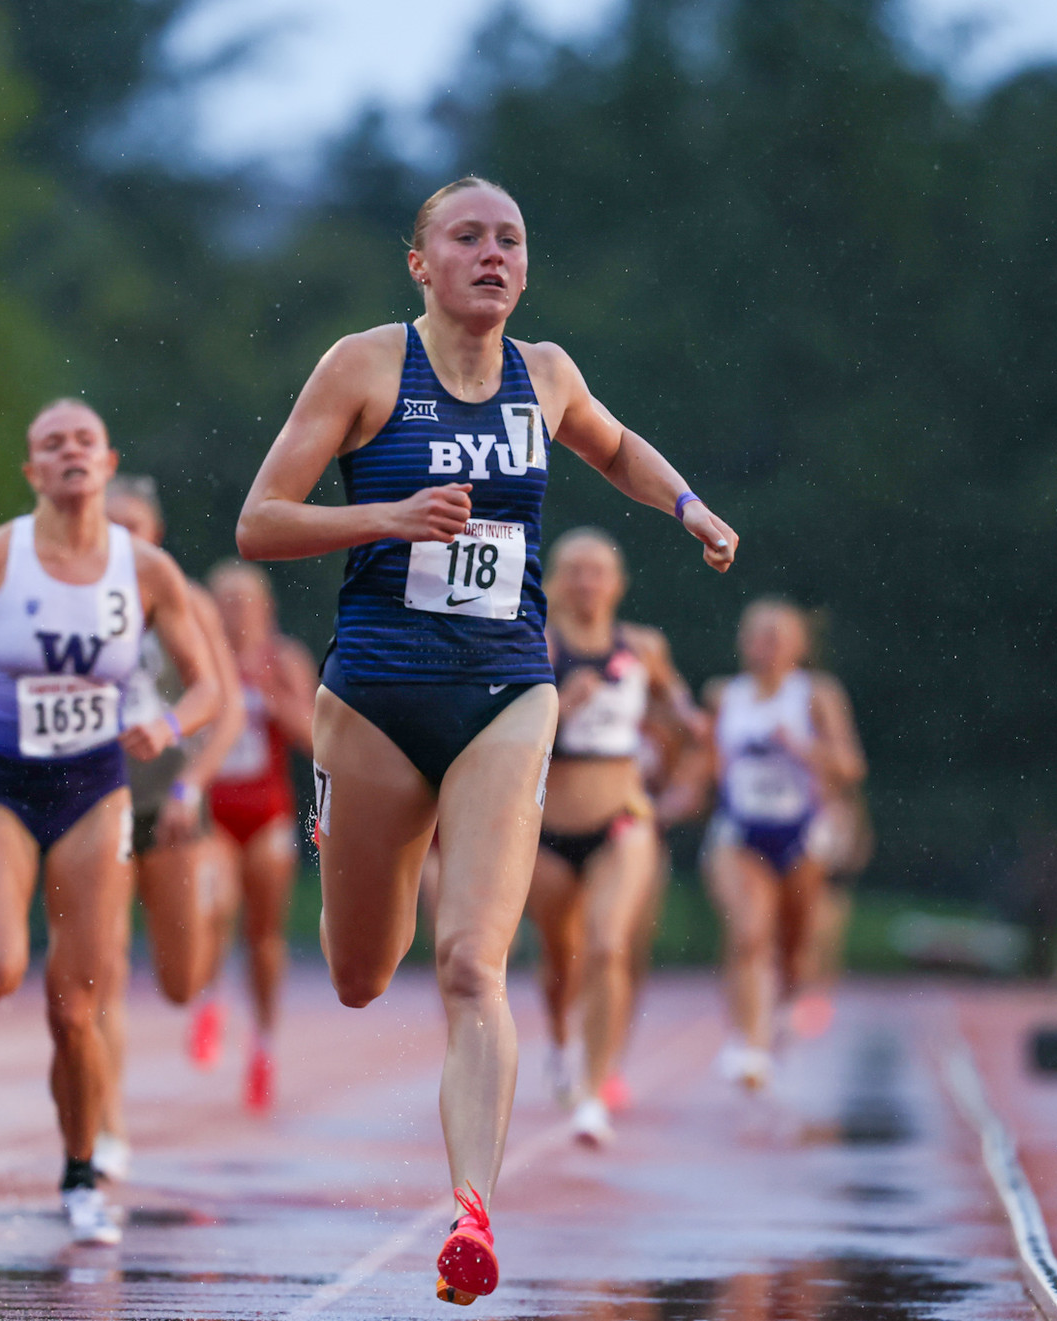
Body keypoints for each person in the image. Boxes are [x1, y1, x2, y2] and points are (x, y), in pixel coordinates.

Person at [235, 176, 735, 1306]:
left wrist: (687, 505)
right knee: (364, 974)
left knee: (473, 961)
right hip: (373, 697)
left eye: (510, 238)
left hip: (508, 688)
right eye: (467, 237)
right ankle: (344, 825)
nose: (492, 254)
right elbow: (259, 523)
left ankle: (472, 1211)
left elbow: (614, 446)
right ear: (421, 262)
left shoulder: (544, 374)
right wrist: (386, 516)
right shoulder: (364, 366)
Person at [0, 400, 220, 1243]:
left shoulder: (147, 571)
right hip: (4, 789)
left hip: (96, 792)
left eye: (83, 442)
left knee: (76, 1009)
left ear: (106, 462)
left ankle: (79, 1171)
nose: (68, 453)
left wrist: (166, 727)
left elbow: (206, 686)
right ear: (32, 471)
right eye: (50, 444)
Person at [524, 528, 701, 1146]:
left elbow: (681, 714)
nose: (586, 582)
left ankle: (593, 1094)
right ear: (556, 581)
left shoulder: (645, 648)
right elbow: (504, 730)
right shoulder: (536, 643)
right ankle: (561, 1039)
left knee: (606, 947)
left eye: (598, 571)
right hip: (547, 828)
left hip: (622, 820)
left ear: (618, 583)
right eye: (574, 570)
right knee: (559, 955)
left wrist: (683, 762)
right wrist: (560, 708)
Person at [94, 474, 247, 1180]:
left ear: (154, 535)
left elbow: (227, 708)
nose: (121, 536)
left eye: (134, 525)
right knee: (101, 967)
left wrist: (191, 781)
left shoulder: (180, 598)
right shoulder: (67, 593)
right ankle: (107, 1127)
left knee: (181, 982)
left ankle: (214, 914)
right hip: (93, 798)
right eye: (109, 522)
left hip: (169, 799)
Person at [703, 599, 865, 1093]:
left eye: (779, 637)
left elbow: (851, 766)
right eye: (758, 636)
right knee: (749, 931)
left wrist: (802, 748)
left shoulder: (815, 695)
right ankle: (747, 1044)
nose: (767, 647)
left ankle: (777, 1013)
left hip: (800, 834)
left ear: (799, 647)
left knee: (794, 954)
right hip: (739, 832)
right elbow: (705, 764)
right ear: (743, 642)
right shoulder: (722, 695)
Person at [202, 560, 316, 1112]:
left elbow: (319, 740)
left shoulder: (283, 659)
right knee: (214, 904)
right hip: (212, 813)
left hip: (267, 811)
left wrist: (276, 704)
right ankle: (209, 1000)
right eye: (224, 602)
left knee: (264, 935)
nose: (235, 614)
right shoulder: (198, 659)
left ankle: (264, 1042)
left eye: (244, 603)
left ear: (265, 609)